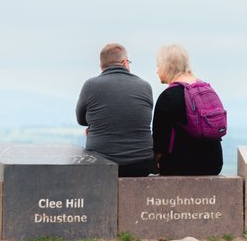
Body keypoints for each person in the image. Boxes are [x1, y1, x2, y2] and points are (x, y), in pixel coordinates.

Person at [76, 43, 156, 177]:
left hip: (101, 163)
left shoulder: (90, 85)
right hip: (141, 164)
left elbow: (81, 120)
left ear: (101, 66)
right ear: (125, 62)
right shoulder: (145, 86)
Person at [152, 44, 223, 175]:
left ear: (167, 66)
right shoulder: (206, 89)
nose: (156, 71)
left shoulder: (168, 96)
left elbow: (159, 141)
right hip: (214, 164)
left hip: (182, 166)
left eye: (158, 65)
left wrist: (153, 165)